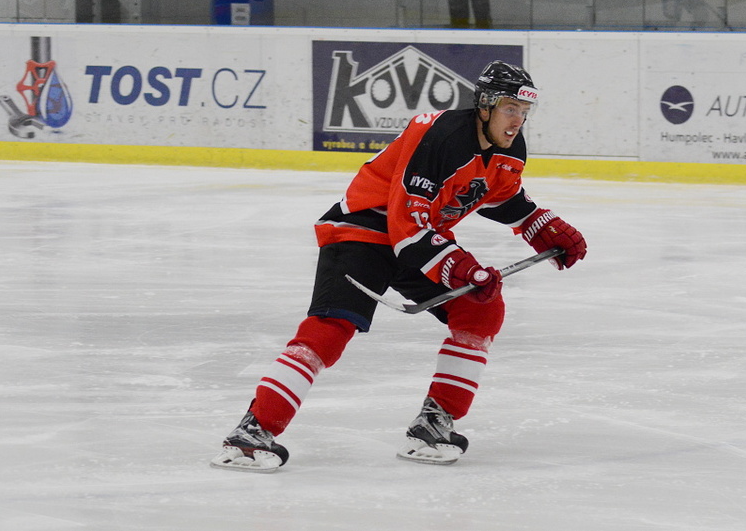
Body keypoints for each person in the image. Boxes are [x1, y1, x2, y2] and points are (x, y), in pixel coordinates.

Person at [211, 60, 587, 471]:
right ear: (485, 105)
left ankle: (434, 423)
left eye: (524, 111)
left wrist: (539, 224)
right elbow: (406, 225)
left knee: (480, 307)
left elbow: (496, 194)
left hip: (415, 239)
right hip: (363, 230)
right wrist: (462, 268)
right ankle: (252, 431)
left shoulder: (510, 148)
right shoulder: (439, 135)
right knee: (332, 328)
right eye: (510, 109)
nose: (517, 121)